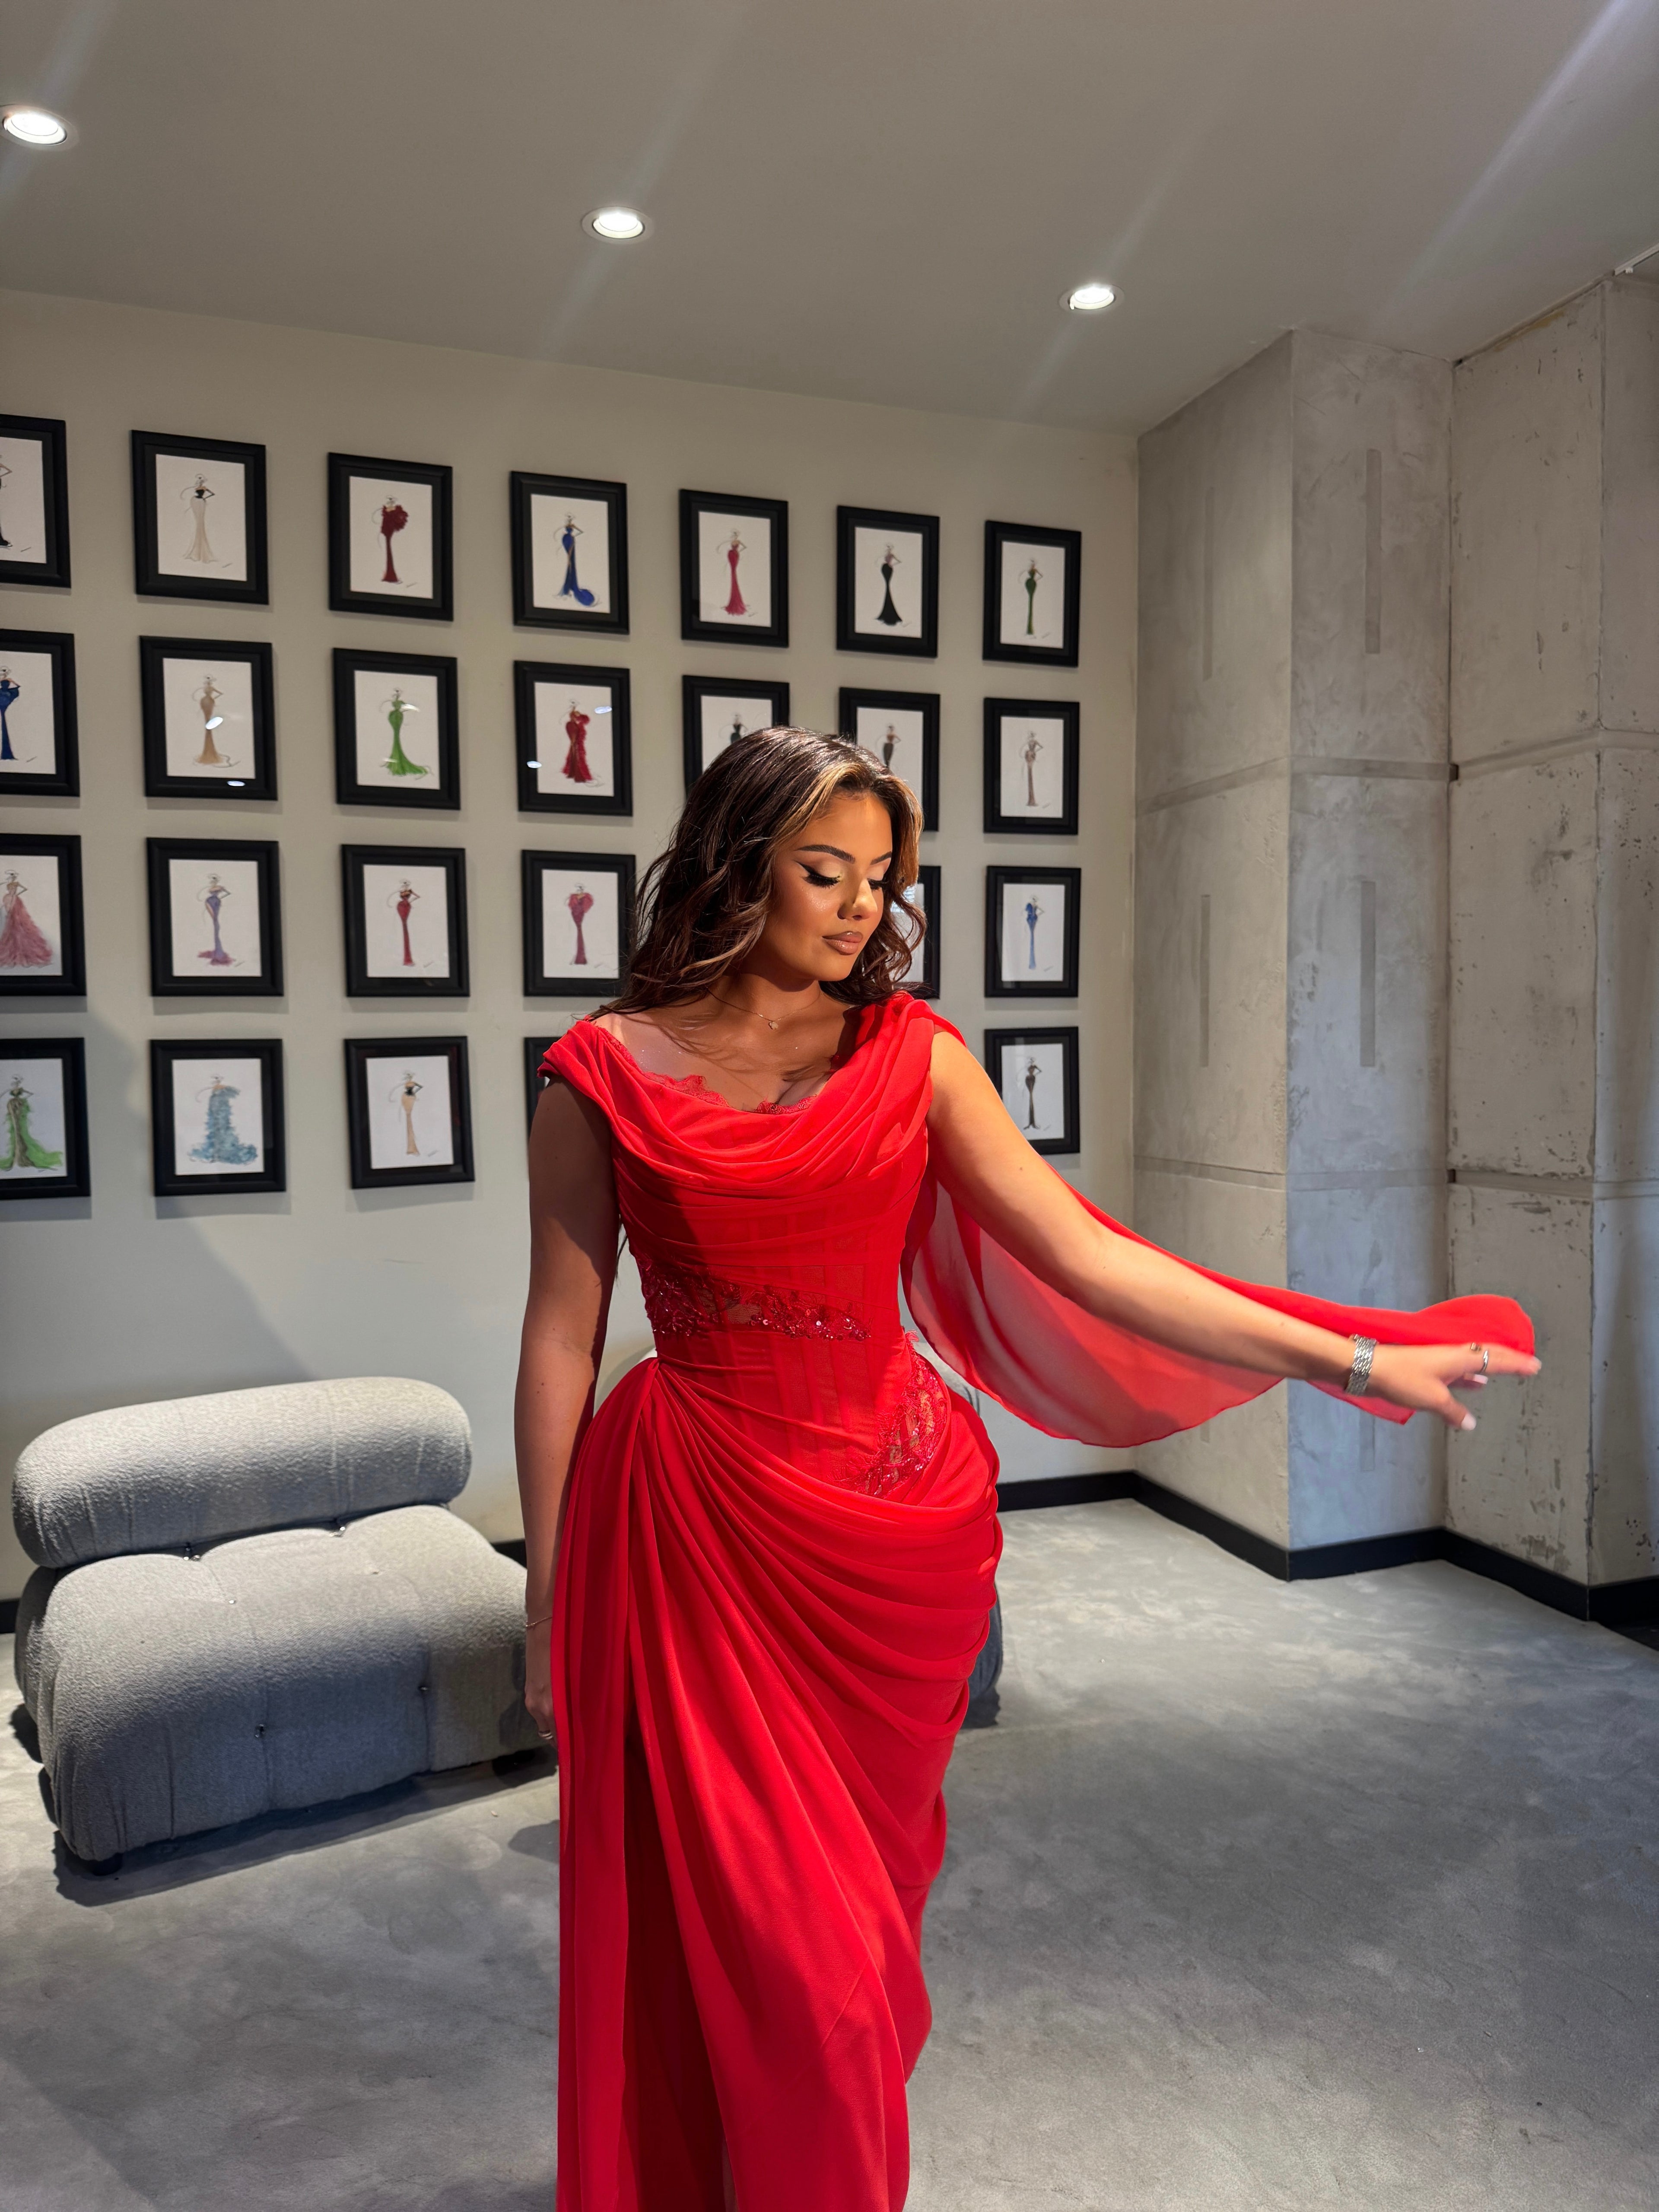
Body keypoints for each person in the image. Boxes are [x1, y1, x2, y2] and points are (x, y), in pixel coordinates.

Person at [515, 728, 1536, 2212]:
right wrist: (546, 1590)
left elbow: (1094, 1263)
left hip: (884, 1545)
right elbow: (560, 1338)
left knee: (849, 1956)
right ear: (739, 863)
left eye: (881, 878)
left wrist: (1356, 1360)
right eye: (824, 872)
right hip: (690, 1539)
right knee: (752, 1946)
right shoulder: (600, 1073)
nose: (860, 909)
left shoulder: (913, 1057)